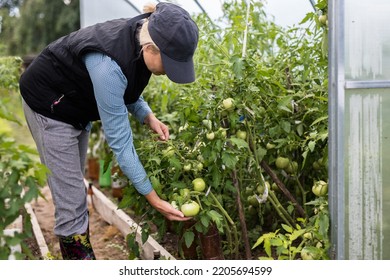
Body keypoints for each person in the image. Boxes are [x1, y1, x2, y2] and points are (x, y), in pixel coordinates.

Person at [19, 2, 199, 260]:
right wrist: (154, 198)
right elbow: (121, 144)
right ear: (150, 48)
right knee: (71, 203)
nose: (169, 72)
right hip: (49, 104)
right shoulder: (108, 65)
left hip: (75, 103)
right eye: (169, 64)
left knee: (75, 191)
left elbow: (127, 86)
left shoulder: (142, 33)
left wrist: (147, 116)